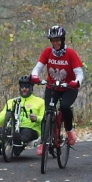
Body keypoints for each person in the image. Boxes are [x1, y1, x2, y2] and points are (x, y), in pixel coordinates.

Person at [30, 25, 84, 155]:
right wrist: (35, 76)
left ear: (63, 39)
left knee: (65, 107)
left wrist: (76, 82)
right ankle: (43, 142)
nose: (55, 43)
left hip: (69, 88)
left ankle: (69, 132)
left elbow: (79, 73)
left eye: (58, 40)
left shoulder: (70, 53)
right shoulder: (47, 52)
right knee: (47, 112)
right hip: (52, 87)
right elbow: (38, 67)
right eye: (53, 40)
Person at [0, 76, 45, 156]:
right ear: (19, 88)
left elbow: (45, 118)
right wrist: (7, 115)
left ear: (31, 88)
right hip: (13, 127)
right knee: (1, 131)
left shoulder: (40, 102)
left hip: (30, 128)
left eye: (27, 87)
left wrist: (37, 118)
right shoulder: (11, 102)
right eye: (22, 87)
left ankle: (18, 145)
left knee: (26, 133)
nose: (24, 89)